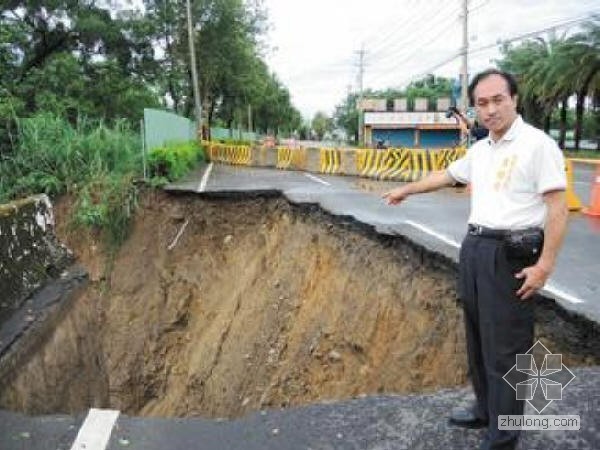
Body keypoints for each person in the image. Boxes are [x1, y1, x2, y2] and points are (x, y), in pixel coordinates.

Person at [382, 68, 568, 450]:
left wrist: (545, 265)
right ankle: (485, 410)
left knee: (507, 348)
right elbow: (446, 176)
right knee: (479, 339)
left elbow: (558, 207)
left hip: (512, 254)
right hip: (476, 249)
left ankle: (504, 435)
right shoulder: (481, 150)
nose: (490, 109)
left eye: (498, 99)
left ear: (514, 99)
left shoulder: (538, 145)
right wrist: (406, 189)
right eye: (482, 103)